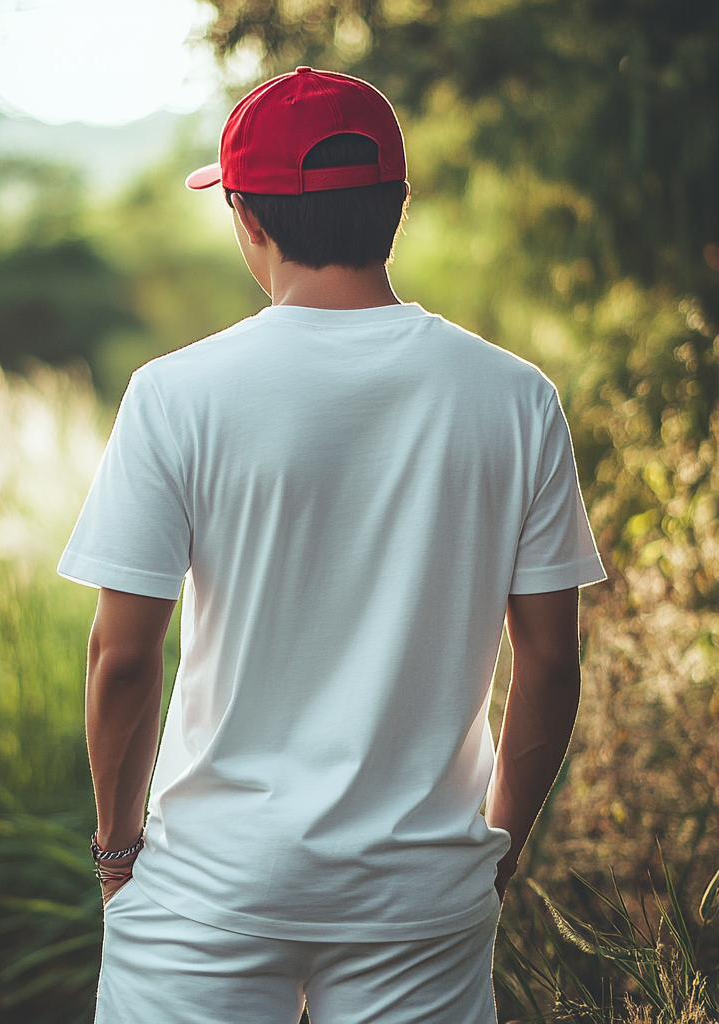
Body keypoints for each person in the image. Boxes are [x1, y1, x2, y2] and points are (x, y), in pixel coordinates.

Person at [57, 66, 606, 1024]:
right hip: (420, 889)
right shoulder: (516, 397)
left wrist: (116, 857)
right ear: (395, 206)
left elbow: (122, 657)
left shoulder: (176, 394)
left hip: (212, 890)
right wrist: (499, 846)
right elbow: (550, 662)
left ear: (249, 219)